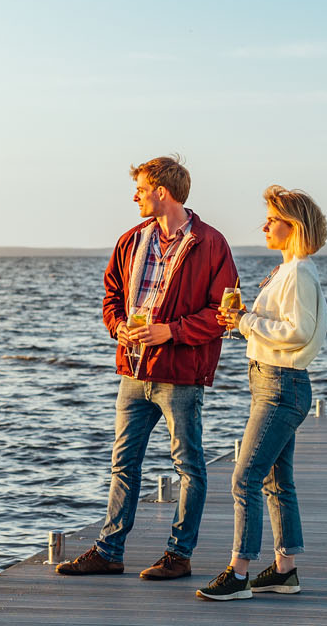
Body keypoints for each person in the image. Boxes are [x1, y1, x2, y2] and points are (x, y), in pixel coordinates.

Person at [57, 155, 237, 581]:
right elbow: (111, 297)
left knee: (189, 466)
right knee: (123, 462)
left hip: (180, 374)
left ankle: (179, 555)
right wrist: (118, 327)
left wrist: (171, 332)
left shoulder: (211, 243)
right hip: (133, 371)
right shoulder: (130, 240)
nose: (134, 195)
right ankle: (109, 551)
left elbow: (224, 312)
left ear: (162, 191)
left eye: (140, 187)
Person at [198, 185, 327, 601]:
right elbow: (278, 330)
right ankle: (285, 569)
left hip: (280, 385)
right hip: (275, 381)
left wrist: (248, 321)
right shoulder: (288, 270)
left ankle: (239, 573)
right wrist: (240, 322)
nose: (265, 225)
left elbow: (299, 332)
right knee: (276, 478)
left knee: (245, 477)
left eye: (272, 219)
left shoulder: (297, 273)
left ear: (292, 226)